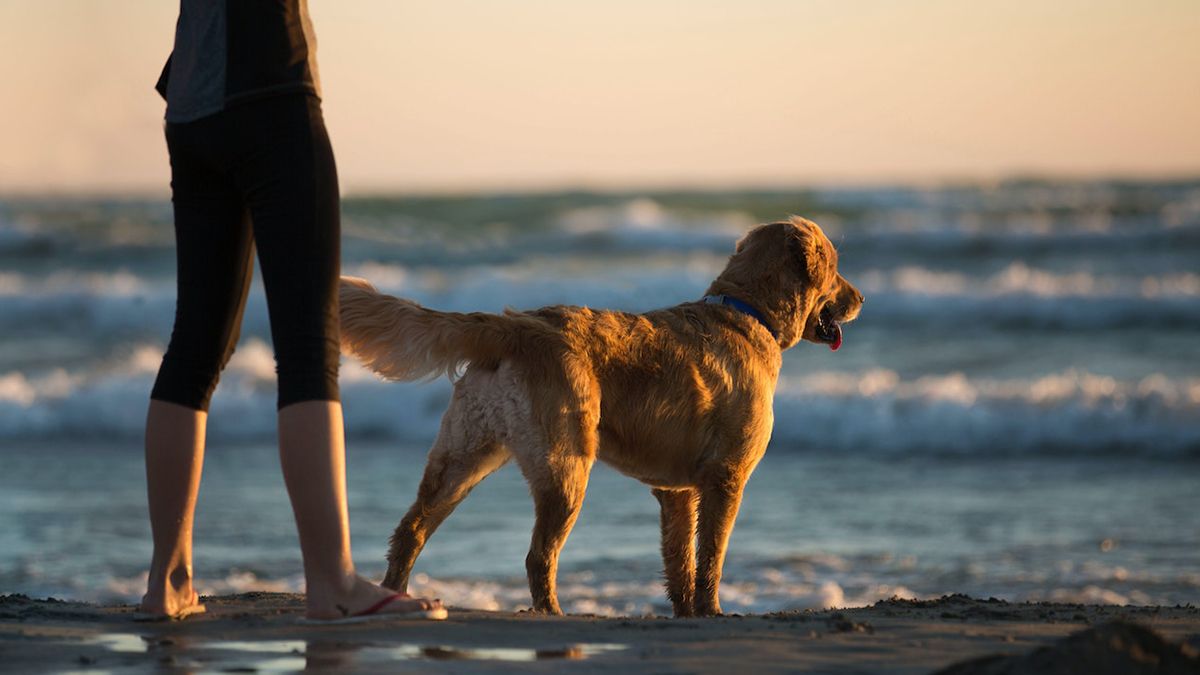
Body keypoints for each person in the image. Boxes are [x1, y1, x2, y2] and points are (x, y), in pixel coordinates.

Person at [139, 0, 444, 621]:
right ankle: (332, 583)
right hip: (271, 89)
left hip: (192, 105)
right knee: (307, 349)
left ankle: (166, 583)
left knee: (194, 347)